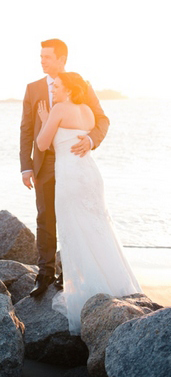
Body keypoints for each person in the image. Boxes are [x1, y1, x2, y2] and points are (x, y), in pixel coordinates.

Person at [36, 71, 141, 334]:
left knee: (75, 233)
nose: (54, 90)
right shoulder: (87, 111)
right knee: (98, 231)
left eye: (58, 87)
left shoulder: (59, 108)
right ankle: (117, 287)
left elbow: (41, 144)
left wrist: (45, 119)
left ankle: (87, 296)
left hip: (71, 179)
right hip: (91, 176)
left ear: (69, 89)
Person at [20, 39, 110, 297]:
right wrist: (26, 166)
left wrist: (91, 139)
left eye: (47, 57)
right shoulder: (33, 88)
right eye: (41, 56)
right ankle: (45, 272)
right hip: (45, 164)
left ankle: (70, 272)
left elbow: (101, 118)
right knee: (45, 216)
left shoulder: (81, 85)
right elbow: (26, 129)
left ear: (61, 60)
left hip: (72, 160)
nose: (42, 61)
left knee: (76, 216)